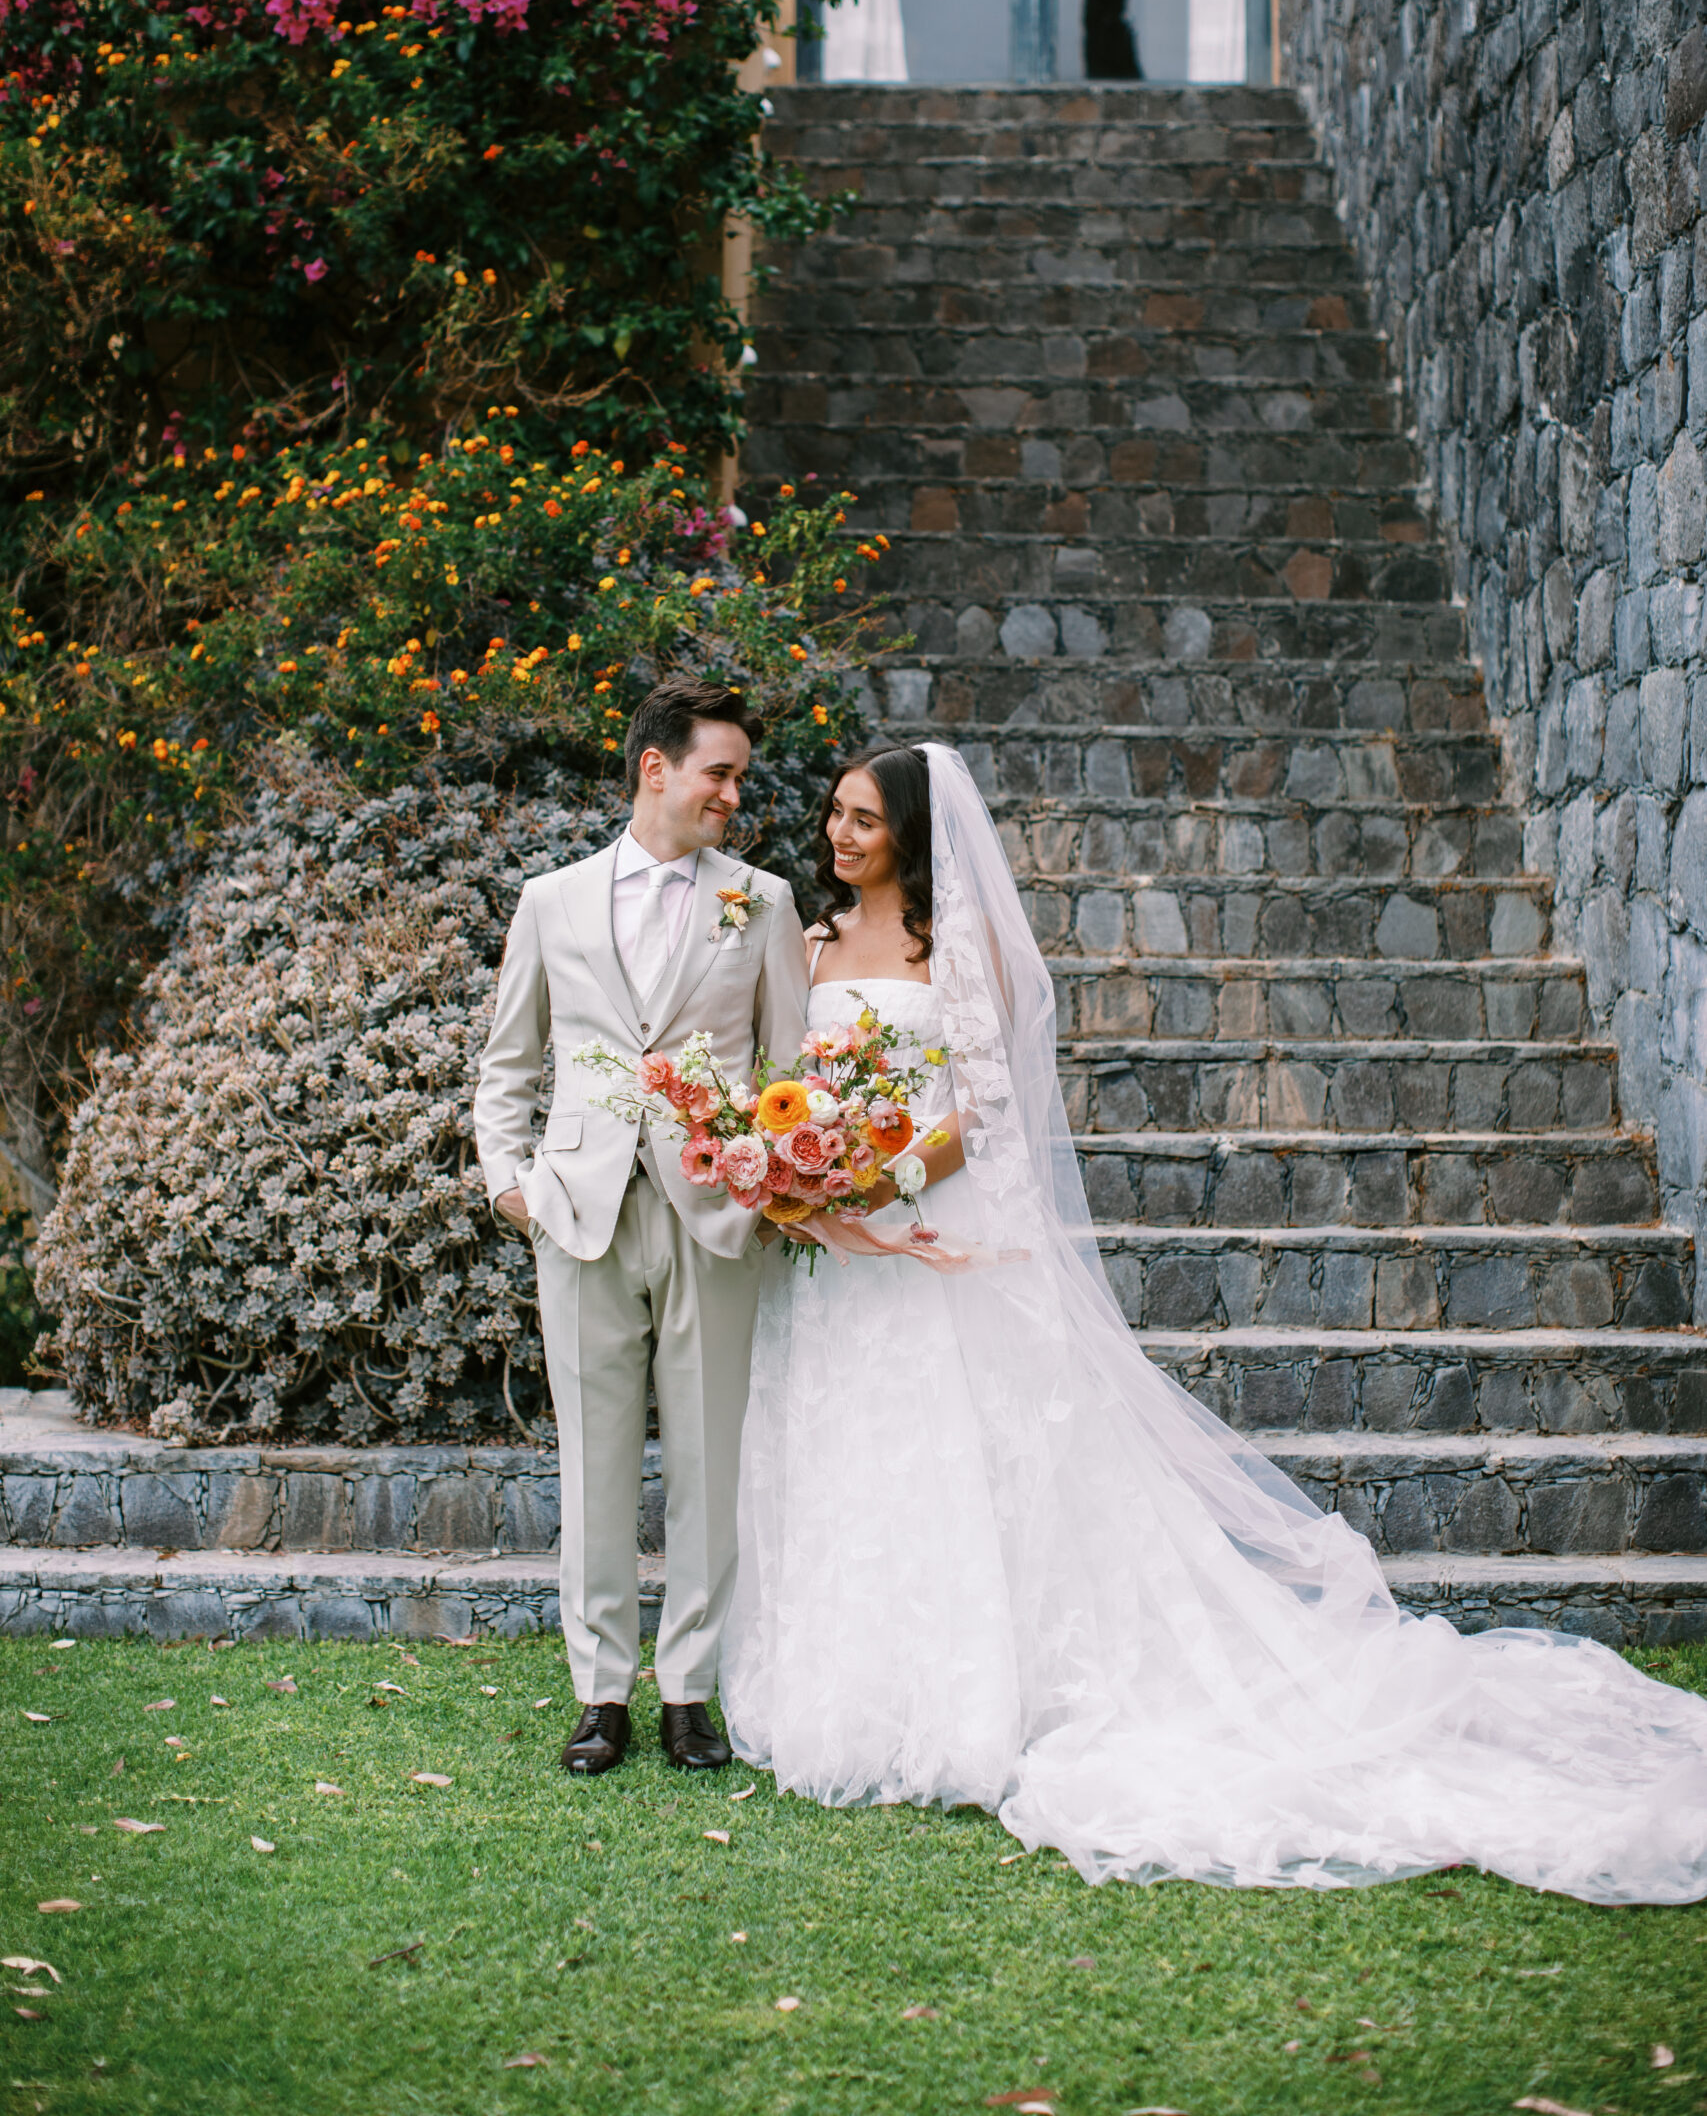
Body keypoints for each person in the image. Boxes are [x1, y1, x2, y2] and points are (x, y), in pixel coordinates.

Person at [721, 738, 1707, 1902]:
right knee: (852, 1456)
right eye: (835, 816)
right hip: (837, 1258)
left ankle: (973, 1695)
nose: (839, 837)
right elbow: (787, 1082)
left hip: (938, 1236)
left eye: (863, 822)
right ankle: (848, 1688)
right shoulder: (816, 941)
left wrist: (888, 1175)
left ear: (914, 839)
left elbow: (983, 1114)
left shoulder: (958, 945)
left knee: (958, 1459)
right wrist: (800, 1165)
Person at [474, 676, 809, 1777]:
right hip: (578, 1215)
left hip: (714, 1217)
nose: (733, 792)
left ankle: (691, 1690)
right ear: (654, 768)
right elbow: (508, 1064)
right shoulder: (550, 901)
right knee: (596, 1463)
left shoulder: (760, 901)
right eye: (719, 771)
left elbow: (790, 1071)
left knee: (710, 1462)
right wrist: (508, 1181)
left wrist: (765, 1184)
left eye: (740, 776)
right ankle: (601, 1690)